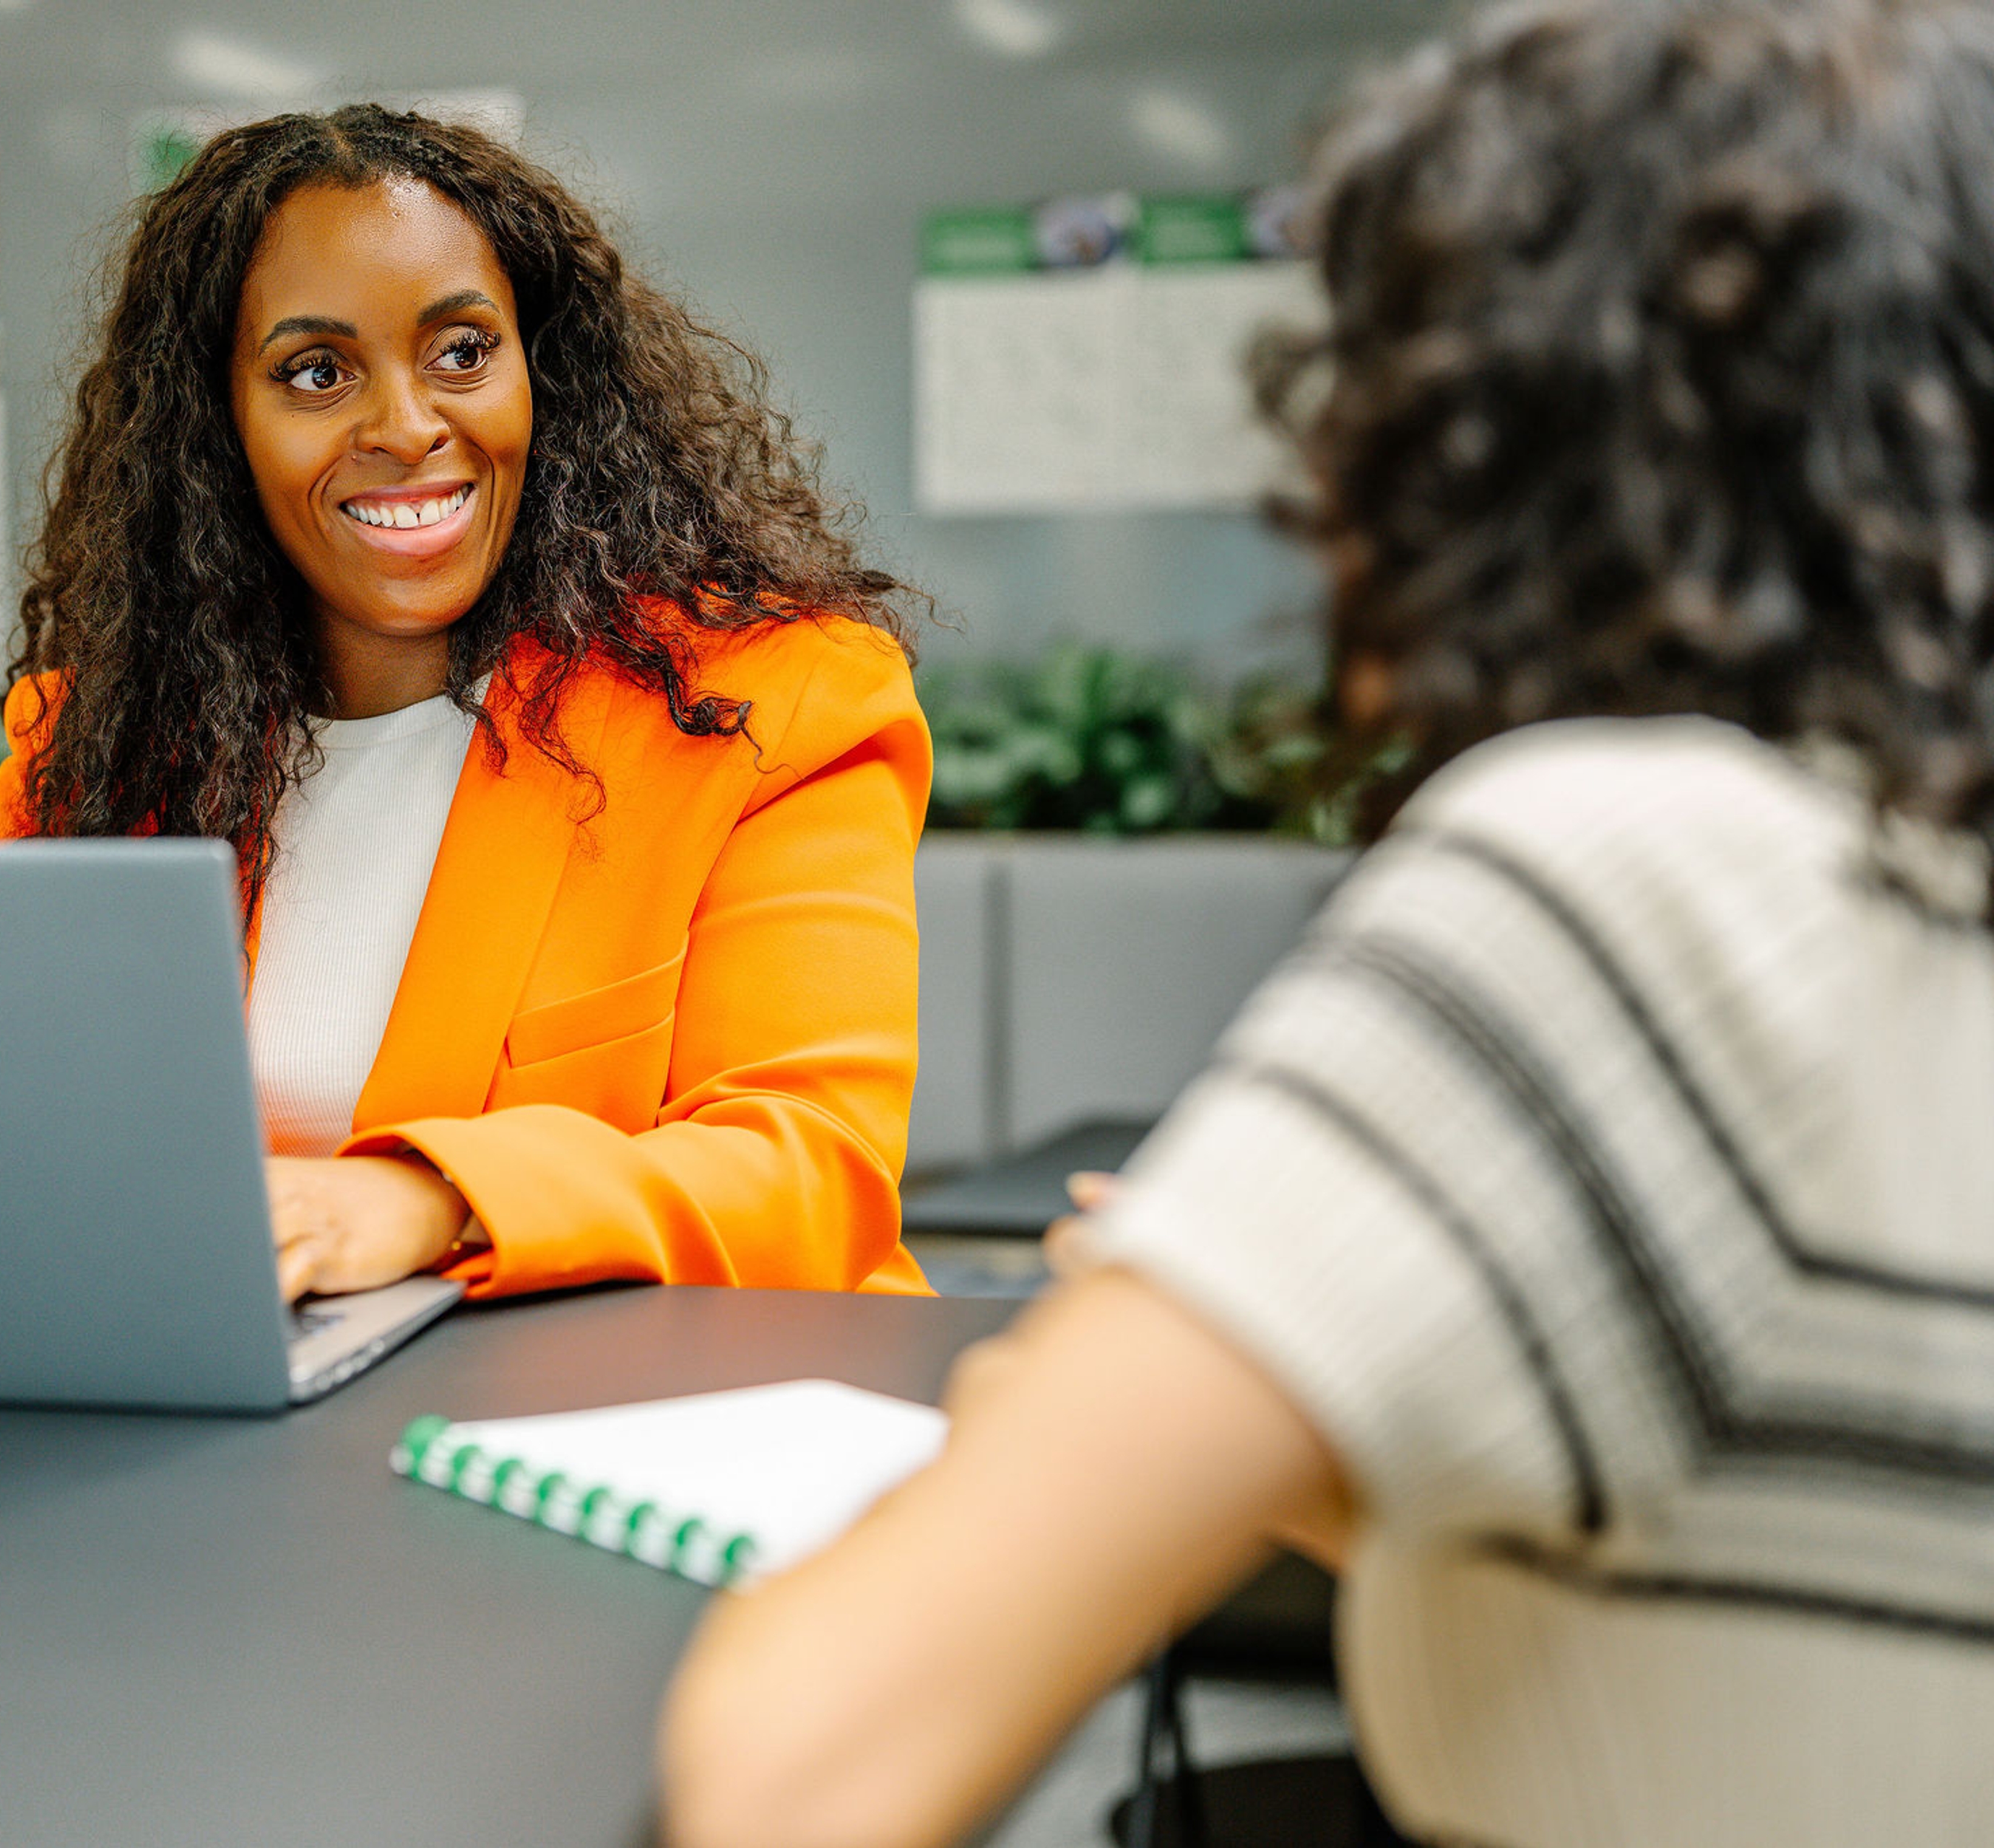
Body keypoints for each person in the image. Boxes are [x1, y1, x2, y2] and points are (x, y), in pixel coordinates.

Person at [660, 1, 1994, 1844]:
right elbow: (1779, 1580)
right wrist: (1294, 1345)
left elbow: (798, 1765)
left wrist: (1108, 1379)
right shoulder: (1914, 884)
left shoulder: (1639, 868)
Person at [0, 107, 935, 1303]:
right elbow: (25, 1157)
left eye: (461, 351)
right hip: (229, 1426)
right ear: (215, 428)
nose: (409, 428)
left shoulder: (768, 701)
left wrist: (417, 1202)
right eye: (316, 373)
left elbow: (812, 1168)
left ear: (544, 373)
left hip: (664, 1425)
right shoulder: (93, 749)